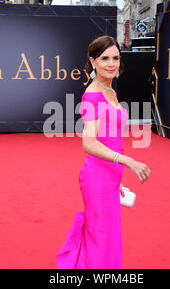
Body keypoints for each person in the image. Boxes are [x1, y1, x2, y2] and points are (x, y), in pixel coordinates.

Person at [56, 35, 151, 269]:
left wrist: (117, 175)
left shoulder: (110, 91)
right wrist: (127, 160)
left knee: (108, 238)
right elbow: (88, 142)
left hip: (109, 175)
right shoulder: (93, 94)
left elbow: (110, 138)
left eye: (116, 58)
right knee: (101, 238)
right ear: (93, 61)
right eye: (105, 58)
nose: (111, 64)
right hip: (96, 177)